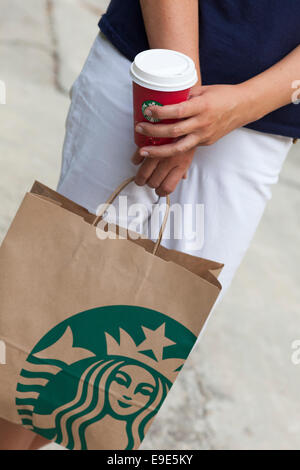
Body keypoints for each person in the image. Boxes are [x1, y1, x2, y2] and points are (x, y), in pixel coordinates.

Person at [1, 0, 299, 451]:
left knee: (123, 358)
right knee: (46, 324)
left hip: (262, 121)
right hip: (146, 75)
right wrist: (179, 101)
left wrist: (243, 105)